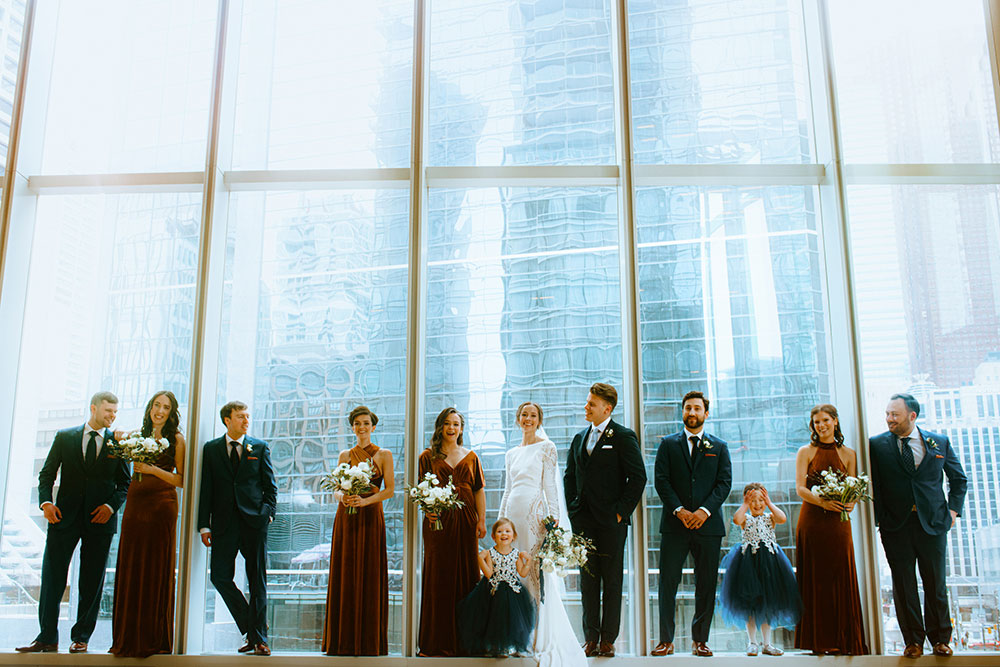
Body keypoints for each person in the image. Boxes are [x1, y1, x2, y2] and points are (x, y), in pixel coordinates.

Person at [16, 392, 130, 654]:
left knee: (92, 581)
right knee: (52, 577)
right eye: (108, 411)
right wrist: (46, 504)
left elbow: (125, 483)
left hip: (100, 522)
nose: (112, 416)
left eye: (115, 412)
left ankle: (81, 638)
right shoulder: (65, 436)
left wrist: (111, 506)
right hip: (62, 518)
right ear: (93, 408)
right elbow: (46, 475)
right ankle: (46, 637)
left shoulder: (118, 444)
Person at [869, 393, 967, 659]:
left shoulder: (940, 442)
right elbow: (874, 484)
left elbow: (958, 480)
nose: (889, 418)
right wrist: (880, 519)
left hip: (933, 524)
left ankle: (940, 640)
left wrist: (953, 512)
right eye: (888, 413)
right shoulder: (876, 445)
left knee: (936, 582)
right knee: (903, 584)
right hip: (895, 526)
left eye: (894, 414)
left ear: (912, 416)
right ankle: (913, 641)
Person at [498, 401, 586, 666]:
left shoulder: (546, 448)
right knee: (511, 574)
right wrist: (502, 523)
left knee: (534, 575)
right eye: (524, 414)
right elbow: (507, 489)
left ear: (539, 420)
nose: (528, 418)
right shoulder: (511, 453)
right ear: (517, 419)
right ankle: (516, 635)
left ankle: (537, 636)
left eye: (533, 415)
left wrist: (555, 522)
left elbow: (550, 487)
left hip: (534, 518)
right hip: (512, 518)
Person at [564, 382, 646, 658]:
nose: (586, 407)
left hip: (612, 522)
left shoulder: (623, 436)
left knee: (612, 581)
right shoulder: (579, 438)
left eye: (591, 404)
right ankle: (590, 638)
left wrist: (620, 513)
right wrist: (573, 510)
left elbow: (638, 478)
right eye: (587, 402)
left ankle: (608, 640)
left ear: (606, 408)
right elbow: (569, 477)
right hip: (584, 521)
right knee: (587, 581)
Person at [652, 390, 732, 658]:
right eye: (688, 408)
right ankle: (666, 640)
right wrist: (680, 511)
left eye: (697, 408)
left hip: (708, 527)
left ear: (706, 414)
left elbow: (724, 483)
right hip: (675, 525)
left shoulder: (719, 447)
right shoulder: (667, 444)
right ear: (682, 412)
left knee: (706, 583)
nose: (692, 413)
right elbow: (661, 480)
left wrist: (703, 511)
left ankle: (700, 641)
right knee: (667, 583)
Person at [198, 401, 277, 656]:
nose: (246, 421)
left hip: (254, 522)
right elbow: (206, 488)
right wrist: (203, 525)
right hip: (223, 525)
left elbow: (270, 486)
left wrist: (268, 514)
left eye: (247, 417)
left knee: (257, 580)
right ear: (227, 420)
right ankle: (252, 626)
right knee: (219, 576)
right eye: (240, 417)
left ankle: (260, 639)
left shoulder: (259, 447)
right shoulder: (211, 449)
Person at [110, 390, 186, 657]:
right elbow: (116, 435)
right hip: (135, 504)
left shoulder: (177, 439)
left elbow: (182, 480)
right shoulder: (138, 434)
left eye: (166, 407)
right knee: (132, 563)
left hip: (162, 505)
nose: (160, 411)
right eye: (157, 405)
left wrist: (152, 469)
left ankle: (152, 637)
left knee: (155, 565)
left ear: (171, 412)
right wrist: (120, 435)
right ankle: (128, 636)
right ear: (150, 408)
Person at [794, 404, 869, 655]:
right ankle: (818, 642)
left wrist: (851, 502)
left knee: (839, 574)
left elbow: (855, 488)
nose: (821, 425)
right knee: (816, 579)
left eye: (825, 420)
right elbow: (800, 489)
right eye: (816, 422)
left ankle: (843, 640)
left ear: (835, 421)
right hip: (812, 521)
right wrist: (823, 501)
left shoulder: (848, 453)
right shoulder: (805, 451)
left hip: (839, 522)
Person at [322, 406, 393, 656]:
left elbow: (389, 491)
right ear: (352, 427)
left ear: (373, 427)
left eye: (366, 423)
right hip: (347, 516)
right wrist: (343, 497)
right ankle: (344, 639)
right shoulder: (345, 454)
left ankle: (368, 640)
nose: (361, 427)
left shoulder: (384, 454)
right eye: (357, 424)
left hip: (371, 515)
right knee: (347, 569)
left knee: (370, 569)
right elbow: (335, 488)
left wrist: (365, 502)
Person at [417, 407, 486, 656]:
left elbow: (478, 490)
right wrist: (427, 511)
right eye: (447, 423)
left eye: (456, 424)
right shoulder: (427, 456)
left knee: (467, 573)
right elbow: (421, 489)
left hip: (467, 520)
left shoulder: (471, 456)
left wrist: (481, 521)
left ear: (461, 428)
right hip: (439, 522)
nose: (451, 428)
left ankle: (466, 641)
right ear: (440, 427)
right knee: (439, 575)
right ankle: (436, 641)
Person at [718, 483, 800, 657]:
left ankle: (767, 643)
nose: (757, 504)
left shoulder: (770, 517)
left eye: (760, 500)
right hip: (749, 566)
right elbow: (736, 519)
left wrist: (770, 503)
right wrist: (745, 504)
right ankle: (752, 642)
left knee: (768, 604)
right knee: (750, 605)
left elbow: (782, 518)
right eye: (753, 500)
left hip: (770, 566)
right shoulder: (746, 519)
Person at [457, 518, 536, 657]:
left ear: (513, 536)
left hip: (513, 591)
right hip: (494, 590)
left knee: (513, 620)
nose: (503, 534)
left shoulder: (516, 554)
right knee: (494, 619)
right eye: (499, 531)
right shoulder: (490, 553)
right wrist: (480, 559)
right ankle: (497, 647)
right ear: (493, 537)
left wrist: (528, 561)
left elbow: (522, 573)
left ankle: (513, 646)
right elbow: (489, 574)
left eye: (507, 531)